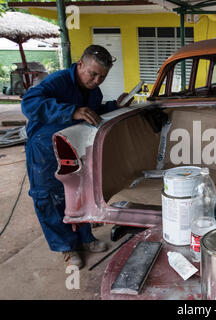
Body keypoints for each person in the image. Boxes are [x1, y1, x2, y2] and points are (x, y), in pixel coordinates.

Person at [21, 45, 133, 269]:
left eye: (102, 77)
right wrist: (70, 111)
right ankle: (66, 247)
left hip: (74, 147)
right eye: (93, 74)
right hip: (44, 150)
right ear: (80, 64)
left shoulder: (94, 92)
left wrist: (114, 106)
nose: (97, 80)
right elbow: (28, 104)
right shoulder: (58, 81)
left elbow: (92, 112)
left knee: (79, 194)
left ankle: (85, 238)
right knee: (48, 198)